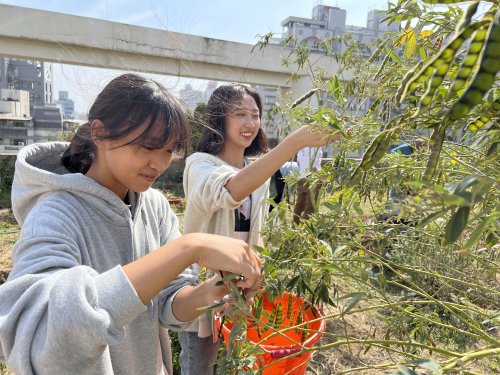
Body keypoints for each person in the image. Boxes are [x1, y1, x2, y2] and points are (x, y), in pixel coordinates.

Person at [0, 73, 262, 375]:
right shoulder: (55, 214)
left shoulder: (155, 205)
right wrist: (190, 247)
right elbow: (44, 346)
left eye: (167, 151)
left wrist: (209, 293)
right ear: (99, 133)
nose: (159, 164)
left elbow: (166, 304)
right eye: (148, 147)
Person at [180, 83, 341, 374]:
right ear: (219, 118)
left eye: (255, 115)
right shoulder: (199, 164)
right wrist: (293, 143)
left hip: (241, 292)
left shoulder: (258, 171)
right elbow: (230, 189)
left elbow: (260, 233)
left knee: (237, 364)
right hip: (204, 291)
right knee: (200, 365)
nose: (250, 123)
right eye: (240, 114)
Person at [293, 146, 323, 224]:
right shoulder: (316, 144)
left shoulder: (301, 145)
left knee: (300, 204)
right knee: (311, 208)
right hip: (313, 177)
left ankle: (295, 225)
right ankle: (305, 229)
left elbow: (298, 162)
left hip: (302, 176)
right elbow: (315, 165)